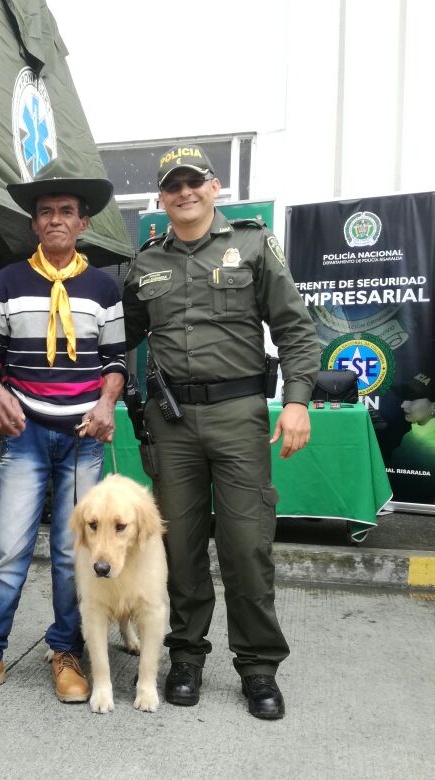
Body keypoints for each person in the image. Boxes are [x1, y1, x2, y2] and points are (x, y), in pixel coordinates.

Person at [122, 145, 319, 720]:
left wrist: (298, 402)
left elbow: (295, 329)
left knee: (245, 546)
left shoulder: (254, 244)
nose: (184, 193)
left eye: (193, 182)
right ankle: (185, 657)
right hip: (171, 422)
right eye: (172, 186)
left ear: (213, 187)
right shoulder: (145, 264)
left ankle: (258, 667)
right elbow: (119, 340)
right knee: (177, 547)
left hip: (239, 416)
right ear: (160, 198)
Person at [0, 157, 127, 704]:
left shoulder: (103, 289)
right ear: (34, 224)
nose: (57, 220)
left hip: (83, 439)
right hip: (24, 436)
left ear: (82, 223)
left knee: (74, 556)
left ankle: (65, 652)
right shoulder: (8, 281)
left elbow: (116, 361)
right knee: (9, 549)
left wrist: (108, 404)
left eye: (67, 211)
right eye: (47, 213)